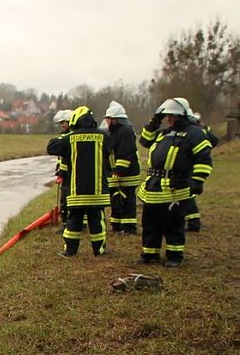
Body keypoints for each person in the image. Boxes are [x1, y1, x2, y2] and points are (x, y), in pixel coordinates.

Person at [137, 98, 214, 267]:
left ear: (183, 116)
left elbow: (204, 158)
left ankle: (174, 256)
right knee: (150, 224)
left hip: (175, 188)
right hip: (153, 187)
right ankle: (150, 254)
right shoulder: (163, 132)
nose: (169, 119)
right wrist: (154, 122)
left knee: (173, 225)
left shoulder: (194, 133)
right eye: (167, 116)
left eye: (173, 116)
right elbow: (144, 141)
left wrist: (198, 180)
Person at [46, 106, 111, 257]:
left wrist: (67, 134)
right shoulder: (104, 136)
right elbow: (109, 151)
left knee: (73, 221)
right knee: (97, 222)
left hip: (76, 190)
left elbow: (51, 147)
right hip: (97, 191)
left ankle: (70, 251)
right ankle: (99, 250)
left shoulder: (70, 138)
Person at [103, 101, 141, 234]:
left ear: (115, 120)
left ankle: (129, 228)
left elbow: (126, 152)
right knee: (116, 199)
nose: (107, 122)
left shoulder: (125, 132)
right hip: (115, 173)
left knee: (127, 200)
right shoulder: (113, 133)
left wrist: (119, 170)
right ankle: (117, 226)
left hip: (127, 174)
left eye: (108, 119)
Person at [184, 112, 220, 232]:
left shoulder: (193, 131)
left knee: (188, 193)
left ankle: (194, 223)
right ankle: (191, 221)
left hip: (193, 164)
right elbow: (215, 140)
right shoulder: (203, 129)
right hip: (197, 162)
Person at [52, 110, 73, 227]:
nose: (62, 125)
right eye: (61, 123)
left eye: (64, 122)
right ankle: (65, 222)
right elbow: (61, 158)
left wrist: (62, 172)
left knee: (67, 199)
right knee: (64, 199)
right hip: (64, 174)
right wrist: (59, 171)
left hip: (70, 174)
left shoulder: (71, 137)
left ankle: (68, 223)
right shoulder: (64, 136)